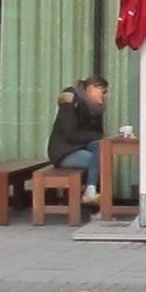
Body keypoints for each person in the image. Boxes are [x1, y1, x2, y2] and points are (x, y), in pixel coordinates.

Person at [47, 75, 108, 205]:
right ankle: (92, 194)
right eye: (103, 91)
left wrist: (99, 138)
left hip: (80, 147)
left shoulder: (96, 110)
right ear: (91, 89)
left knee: (102, 149)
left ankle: (92, 193)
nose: (105, 95)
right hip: (64, 152)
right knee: (101, 159)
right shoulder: (71, 103)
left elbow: (98, 135)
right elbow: (70, 134)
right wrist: (98, 137)